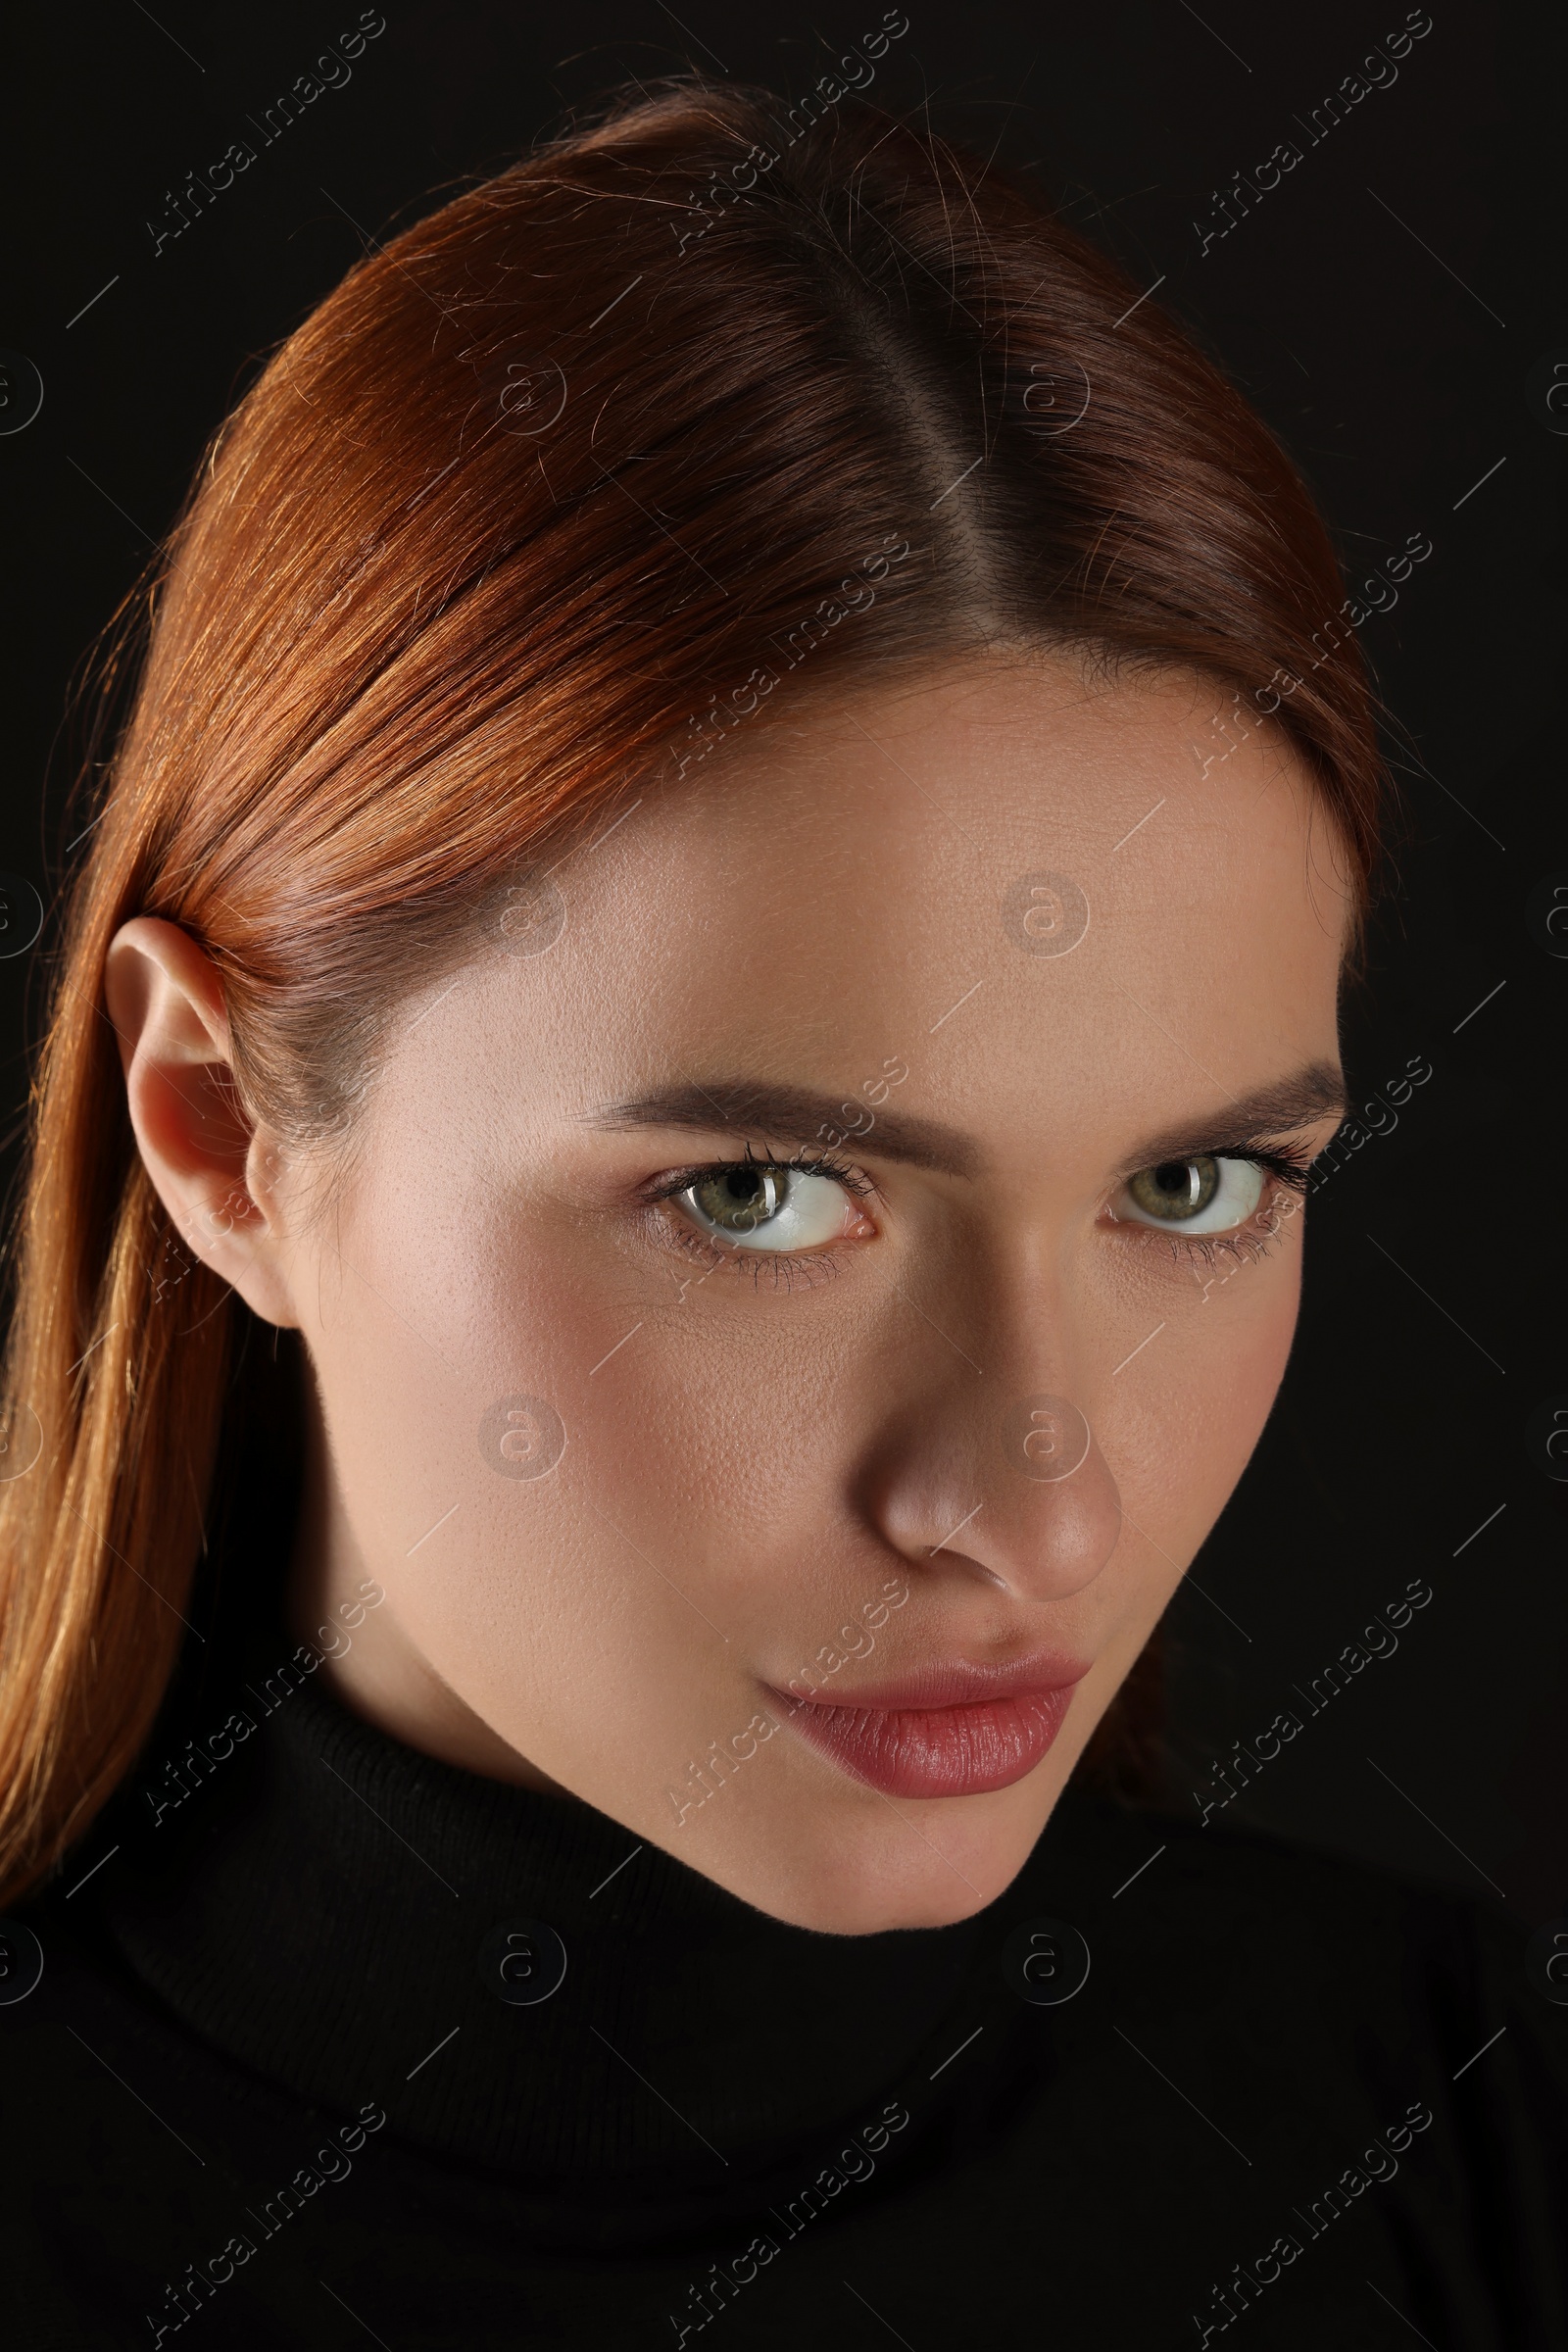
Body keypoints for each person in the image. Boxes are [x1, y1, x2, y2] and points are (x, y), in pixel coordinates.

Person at [0, 79, 1560, 2351]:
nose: (1029, 1512)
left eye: (1192, 1183)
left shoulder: (1448, 2127)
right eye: (754, 1196)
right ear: (224, 1134)